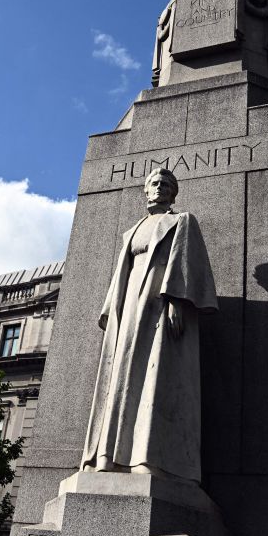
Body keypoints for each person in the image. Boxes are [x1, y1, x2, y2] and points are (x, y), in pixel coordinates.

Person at [81, 168, 218, 482]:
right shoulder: (132, 231)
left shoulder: (183, 221)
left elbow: (186, 262)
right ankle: (109, 456)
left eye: (167, 184)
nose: (161, 188)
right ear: (145, 190)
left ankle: (148, 457)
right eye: (155, 183)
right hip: (130, 306)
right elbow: (121, 276)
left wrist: (177, 301)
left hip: (159, 302)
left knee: (156, 377)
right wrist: (113, 312)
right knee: (120, 379)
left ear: (174, 193)